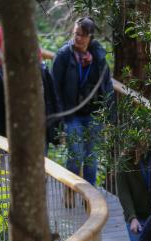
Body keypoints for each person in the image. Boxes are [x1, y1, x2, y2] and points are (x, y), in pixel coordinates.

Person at [52, 16, 114, 185]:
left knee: (91, 159)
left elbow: (107, 85)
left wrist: (109, 115)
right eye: (76, 34)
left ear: (90, 37)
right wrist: (60, 116)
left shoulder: (98, 57)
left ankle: (90, 196)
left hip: (94, 115)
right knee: (76, 156)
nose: (78, 38)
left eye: (82, 35)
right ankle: (70, 190)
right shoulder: (64, 55)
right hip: (72, 116)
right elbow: (54, 87)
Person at [0, 28, 61, 149]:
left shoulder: (42, 71)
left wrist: (56, 130)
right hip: (13, 133)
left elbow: (52, 101)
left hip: (38, 130)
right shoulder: (2, 76)